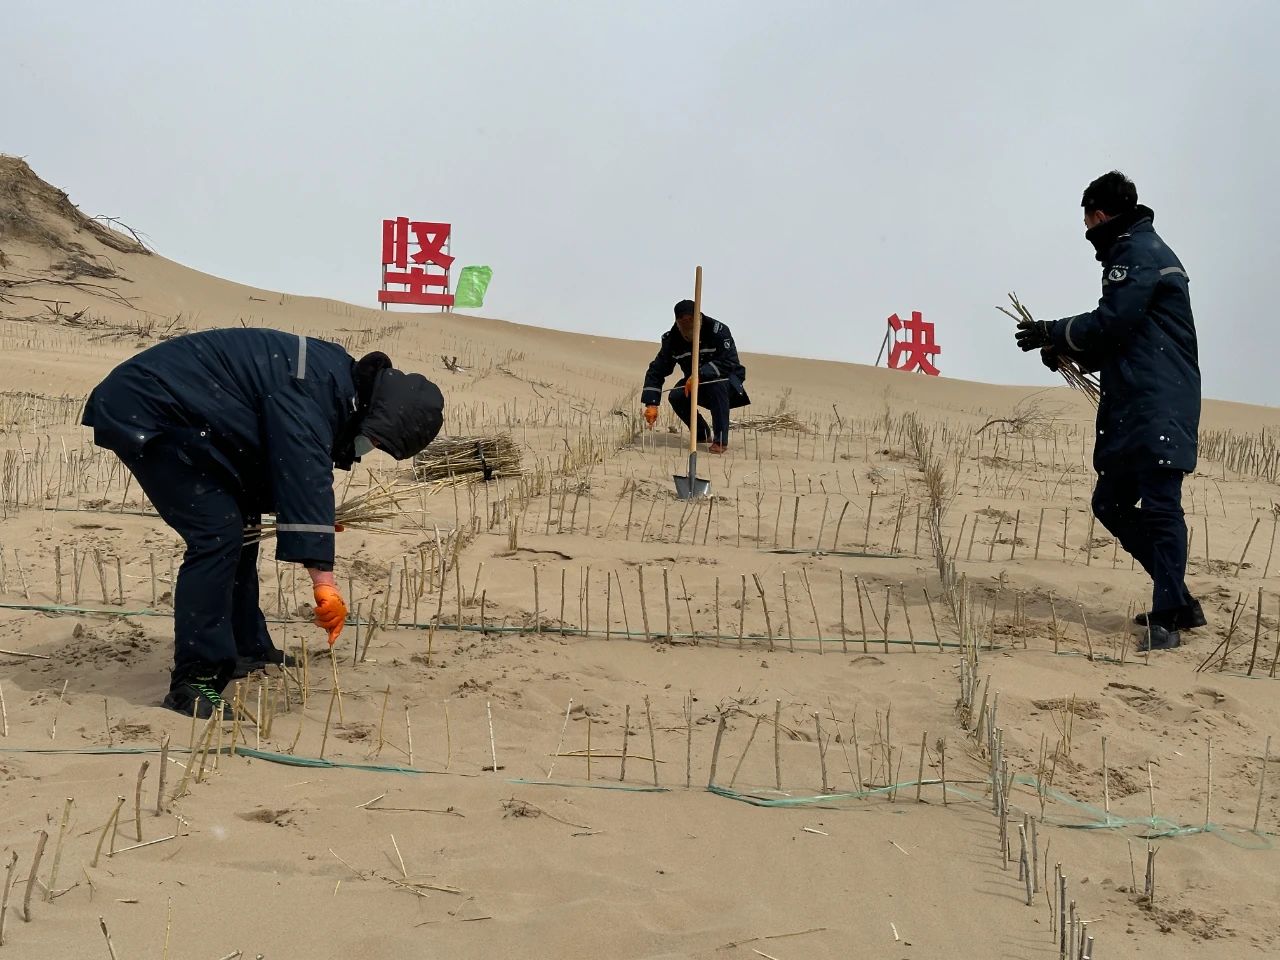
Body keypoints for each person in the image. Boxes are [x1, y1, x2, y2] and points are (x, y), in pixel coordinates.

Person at [82, 328, 445, 716]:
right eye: (376, 440)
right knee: (218, 533)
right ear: (378, 411)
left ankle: (246, 646)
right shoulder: (315, 388)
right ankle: (194, 681)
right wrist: (323, 580)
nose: (370, 448)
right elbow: (303, 470)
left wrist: (311, 521)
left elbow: (279, 458)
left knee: (243, 528)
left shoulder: (336, 381)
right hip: (151, 406)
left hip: (192, 415)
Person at [1015, 171, 1201, 651]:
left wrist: (1054, 330)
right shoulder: (1138, 250)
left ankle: (1168, 617)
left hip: (1159, 402)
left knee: (1161, 506)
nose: (1087, 233)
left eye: (1087, 223)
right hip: (1136, 400)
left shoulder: (1138, 253)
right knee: (1109, 503)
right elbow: (1125, 336)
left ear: (1098, 216)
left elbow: (1113, 320)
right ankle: (1177, 598)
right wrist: (1065, 349)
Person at [641, 299, 749, 452]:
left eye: (691, 320)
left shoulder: (718, 331)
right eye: (682, 321)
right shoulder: (672, 340)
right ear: (677, 322)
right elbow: (657, 370)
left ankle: (720, 441)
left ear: (699, 317)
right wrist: (651, 403)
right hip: (694, 383)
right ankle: (702, 433)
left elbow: (730, 362)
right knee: (676, 396)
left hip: (726, 383)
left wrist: (700, 374)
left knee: (716, 384)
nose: (687, 324)